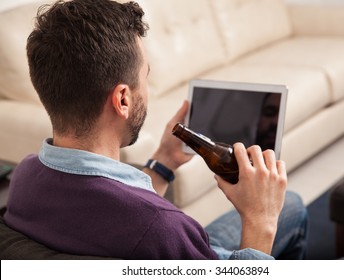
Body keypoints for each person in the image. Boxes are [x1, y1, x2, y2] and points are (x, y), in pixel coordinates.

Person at [4, 0, 307, 260]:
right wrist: (260, 221)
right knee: (289, 212)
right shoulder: (163, 226)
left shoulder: (26, 175)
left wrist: (164, 160)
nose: (147, 90)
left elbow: (108, 216)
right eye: (145, 76)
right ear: (123, 99)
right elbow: (145, 224)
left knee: (290, 202)